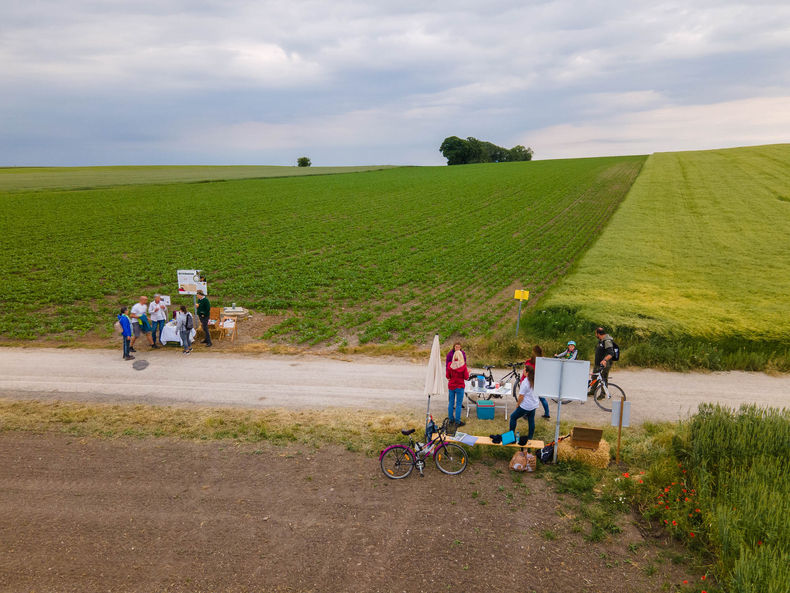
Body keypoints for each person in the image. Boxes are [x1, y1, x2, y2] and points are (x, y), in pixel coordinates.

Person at [509, 366, 538, 439]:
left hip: (526, 406)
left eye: (524, 370)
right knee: (531, 420)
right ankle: (530, 437)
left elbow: (521, 396)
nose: (523, 371)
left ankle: (511, 436)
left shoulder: (525, 383)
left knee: (513, 417)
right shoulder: (535, 380)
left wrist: (517, 404)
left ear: (527, 373)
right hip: (534, 405)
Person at [524, 345, 550, 419]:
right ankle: (547, 413)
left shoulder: (530, 361)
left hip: (532, 381)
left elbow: (527, 370)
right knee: (542, 398)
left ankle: (527, 414)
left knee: (530, 398)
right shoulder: (542, 361)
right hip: (540, 381)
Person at [446, 350, 469, 428]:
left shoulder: (450, 365)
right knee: (459, 404)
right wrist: (468, 372)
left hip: (451, 386)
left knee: (451, 403)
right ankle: (457, 421)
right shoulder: (463, 366)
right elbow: (466, 377)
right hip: (460, 386)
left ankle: (451, 420)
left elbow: (447, 376)